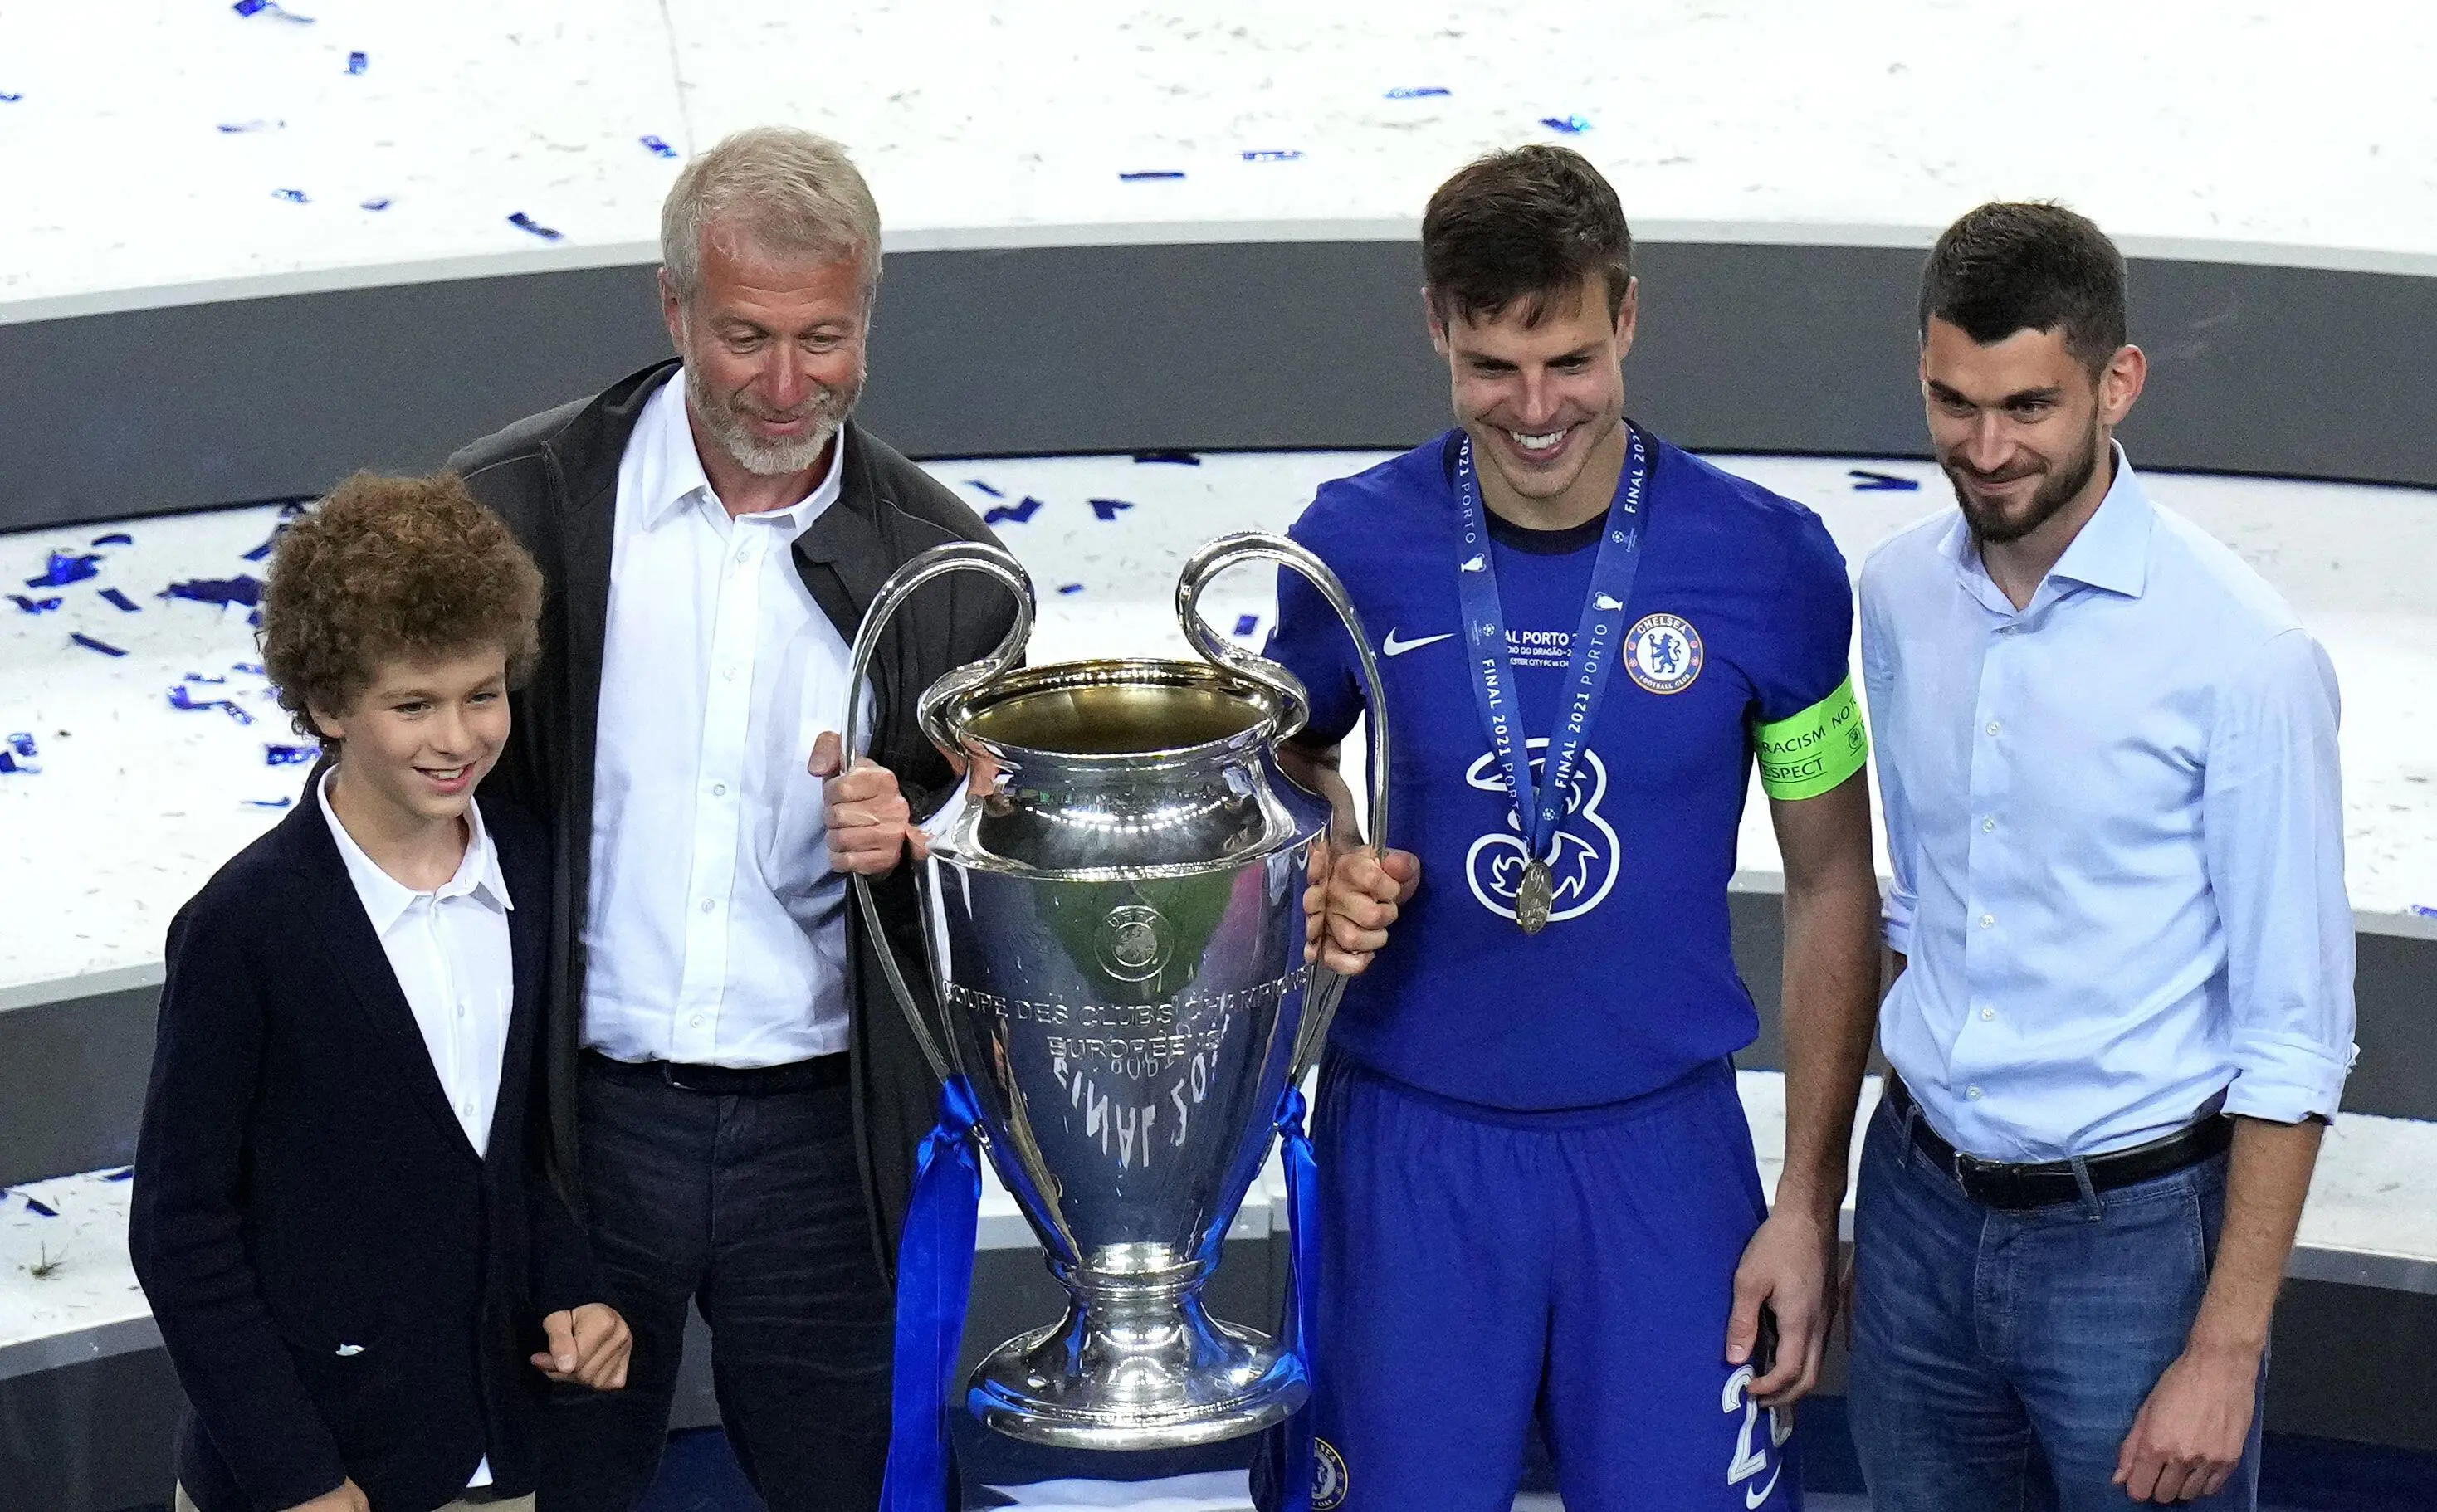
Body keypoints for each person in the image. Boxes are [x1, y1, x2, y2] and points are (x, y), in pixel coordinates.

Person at [1250, 144, 1883, 1511]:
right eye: (1491, 367)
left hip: (1663, 1157)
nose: (1535, 411)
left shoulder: (1768, 560)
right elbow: (1288, 755)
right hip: (1413, 1150)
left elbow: (1836, 882)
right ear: (1436, 329)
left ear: (1630, 316)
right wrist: (1330, 846)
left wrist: (1806, 1196)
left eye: (1572, 362)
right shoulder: (1350, 543)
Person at [451, 126, 1016, 1512]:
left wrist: (916, 850)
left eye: (821, 337)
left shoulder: (954, 576)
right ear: (671, 307)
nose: (783, 384)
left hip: (824, 1152)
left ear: (867, 311)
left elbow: (994, 896)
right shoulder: (509, 513)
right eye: (746, 335)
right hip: (577, 1142)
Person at [1849, 202, 2356, 1510]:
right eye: (1952, 402)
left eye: (2029, 406)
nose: (1987, 445)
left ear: (2117, 384)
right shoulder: (1897, 592)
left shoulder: (2244, 655)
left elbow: (2296, 1028)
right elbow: (1920, 896)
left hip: (2131, 1252)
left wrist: (2227, 1346)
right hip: (1914, 1205)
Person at [130, 474, 632, 1512]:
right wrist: (297, 1478)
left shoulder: (529, 873)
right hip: (311, 1476)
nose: (457, 738)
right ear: (324, 704)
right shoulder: (243, 926)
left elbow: (509, 1153)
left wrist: (573, 1290)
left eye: (481, 694)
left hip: (495, 1454)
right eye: (412, 705)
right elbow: (180, 1227)